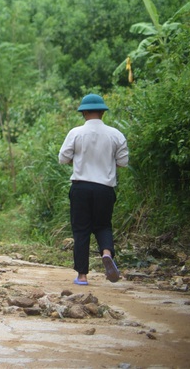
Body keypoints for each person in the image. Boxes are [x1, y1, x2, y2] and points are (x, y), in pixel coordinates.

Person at [59, 93, 129, 286]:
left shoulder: (76, 133)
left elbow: (63, 158)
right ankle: (106, 253)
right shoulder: (116, 134)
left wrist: (80, 159)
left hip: (81, 187)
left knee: (81, 230)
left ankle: (82, 276)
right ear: (102, 112)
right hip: (105, 189)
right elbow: (123, 162)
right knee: (103, 225)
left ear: (84, 113)